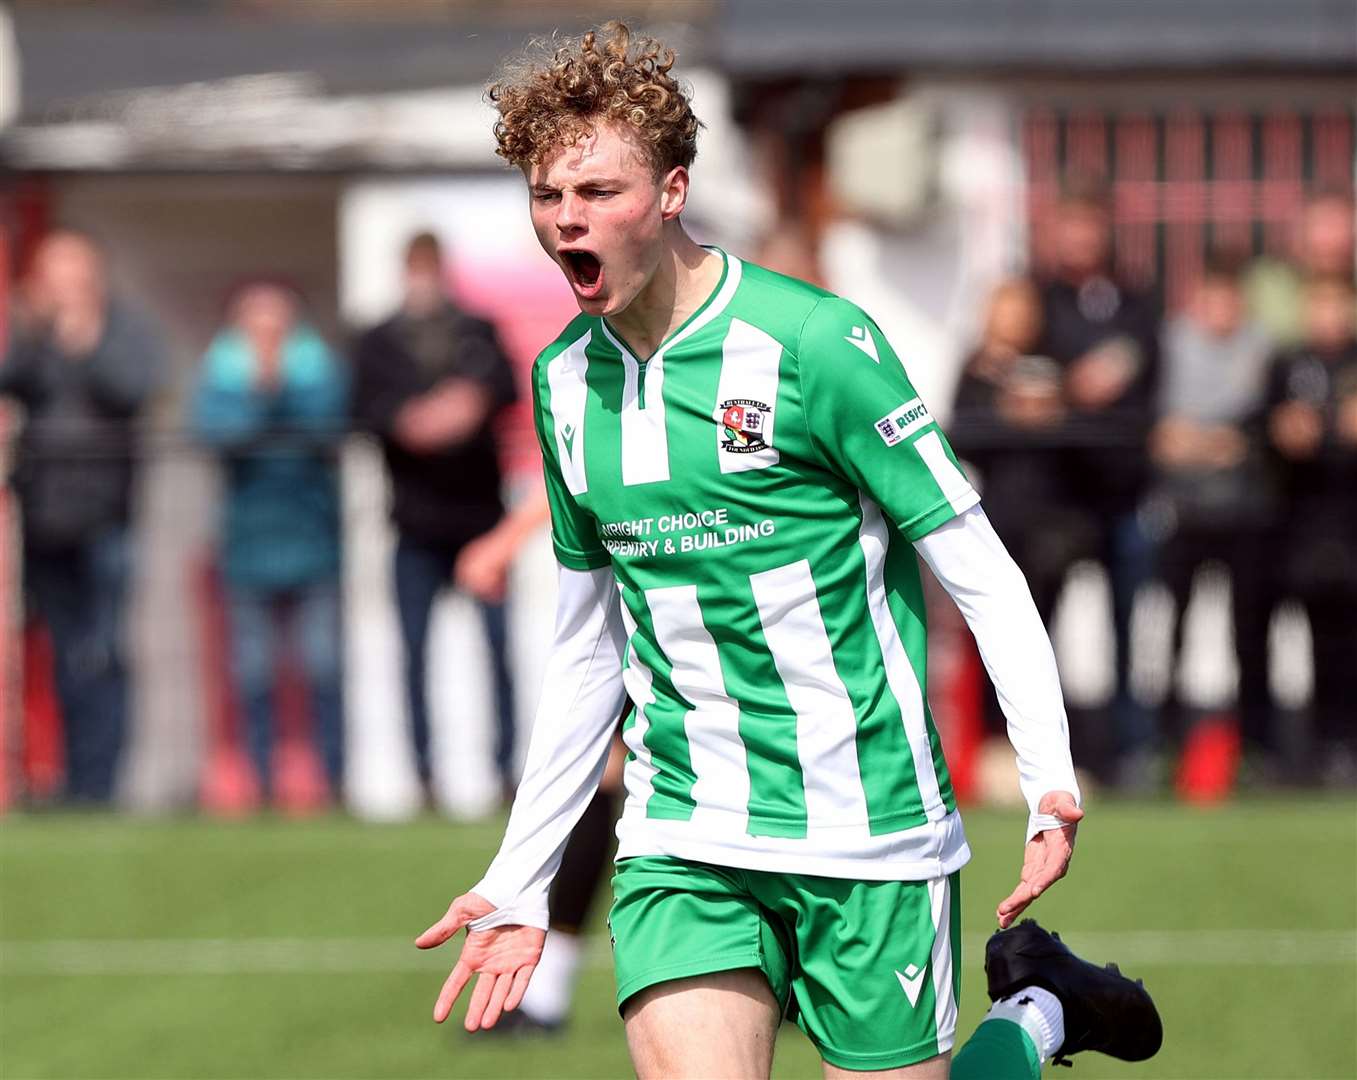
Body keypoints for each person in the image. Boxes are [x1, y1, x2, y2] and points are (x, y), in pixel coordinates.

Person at [416, 23, 1161, 1079]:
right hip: (684, 832)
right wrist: (520, 877)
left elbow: (980, 569)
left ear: (672, 191)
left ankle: (1037, 1012)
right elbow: (589, 651)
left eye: (598, 193)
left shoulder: (815, 344)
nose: (568, 221)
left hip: (867, 824)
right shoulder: (562, 383)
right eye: (549, 198)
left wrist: (1045, 773)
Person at [353, 232, 520, 804]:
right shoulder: (378, 341)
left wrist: (466, 405)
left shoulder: (477, 330)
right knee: (413, 653)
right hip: (416, 524)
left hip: (480, 521)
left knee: (498, 651)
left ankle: (504, 770)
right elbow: (365, 410)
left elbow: (507, 385)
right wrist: (412, 420)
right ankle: (422, 774)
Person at [1, 229, 164, 804]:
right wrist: (32, 327)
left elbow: (134, 388)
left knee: (103, 651)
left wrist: (84, 339)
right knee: (63, 653)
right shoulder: (35, 338)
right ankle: (73, 782)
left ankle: (103, 783)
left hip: (106, 518)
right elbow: (11, 381)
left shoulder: (124, 331)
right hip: (46, 518)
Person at [191, 282, 348, 803]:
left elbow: (326, 428)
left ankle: (334, 781)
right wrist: (263, 390)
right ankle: (256, 784)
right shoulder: (220, 377)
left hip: (314, 542)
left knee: (323, 668)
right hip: (247, 547)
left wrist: (274, 390)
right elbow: (218, 435)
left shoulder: (321, 373)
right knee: (252, 672)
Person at [1035, 182, 1162, 788]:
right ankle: (1042, 754)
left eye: (1090, 226)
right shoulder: (1038, 299)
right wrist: (1068, 384)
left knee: (1129, 623)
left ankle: (1127, 751)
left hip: (1125, 490)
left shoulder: (1137, 301)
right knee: (1038, 624)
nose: (1080, 239)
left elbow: (1150, 369)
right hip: (1057, 495)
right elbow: (1027, 369)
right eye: (1071, 226)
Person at [1150, 254, 1276, 762]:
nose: (1220, 311)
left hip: (1246, 512)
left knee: (1250, 630)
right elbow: (1160, 434)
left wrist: (1204, 441)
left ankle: (1257, 749)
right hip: (1182, 511)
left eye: (1229, 301)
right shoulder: (1170, 347)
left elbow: (1256, 429)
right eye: (1211, 300)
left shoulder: (1262, 350)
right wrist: (1209, 444)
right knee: (1168, 631)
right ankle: (1162, 744)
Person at [1262, 274, 1357, 786]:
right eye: (1319, 305)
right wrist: (1282, 433)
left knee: (1347, 641)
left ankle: (1344, 743)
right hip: (1298, 525)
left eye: (1337, 304)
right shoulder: (1287, 364)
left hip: (1349, 523)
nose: (1328, 316)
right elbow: (1263, 427)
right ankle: (1299, 749)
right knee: (1299, 635)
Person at [1246, 191, 1355, 347]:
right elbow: (1275, 328)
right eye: (1325, 226)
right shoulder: (1269, 279)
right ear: (1299, 232)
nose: (1335, 238)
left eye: (1343, 227)